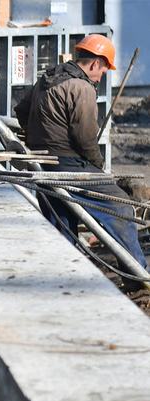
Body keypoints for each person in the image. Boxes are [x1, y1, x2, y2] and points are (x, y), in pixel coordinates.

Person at [14, 33, 147, 273]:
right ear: (95, 63)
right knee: (121, 207)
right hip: (67, 164)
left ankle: (68, 271)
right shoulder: (82, 87)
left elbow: (21, 110)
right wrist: (98, 167)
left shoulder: (49, 77)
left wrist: (39, 133)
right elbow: (85, 140)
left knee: (62, 220)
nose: (101, 76)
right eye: (103, 71)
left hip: (43, 164)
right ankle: (136, 275)